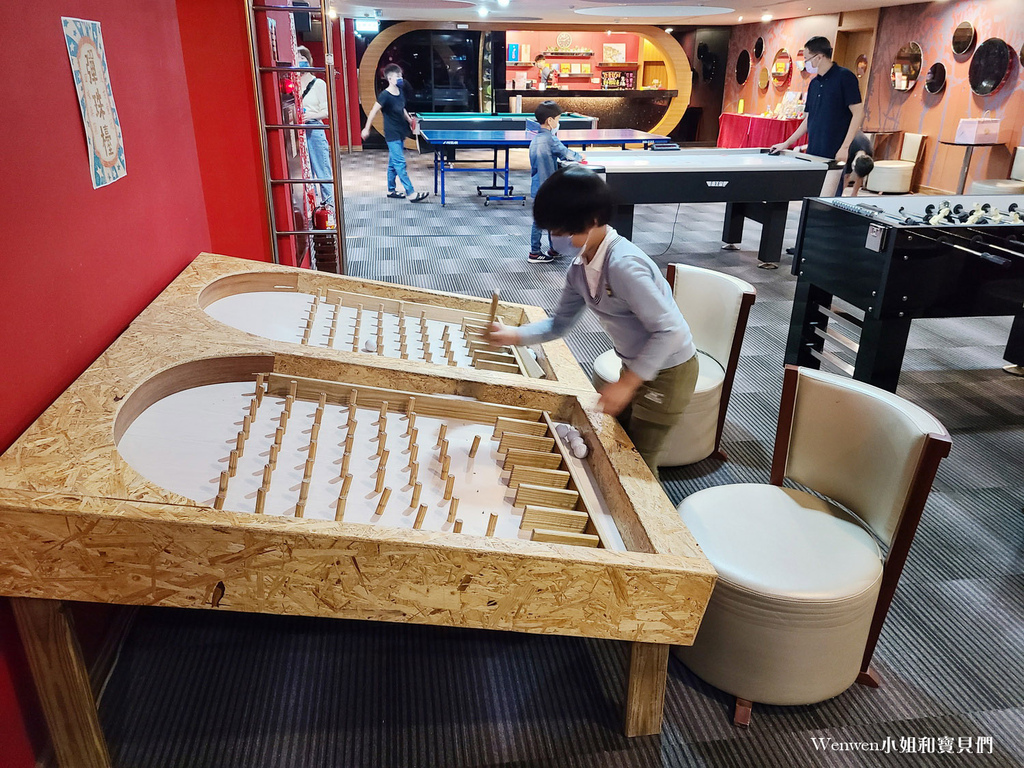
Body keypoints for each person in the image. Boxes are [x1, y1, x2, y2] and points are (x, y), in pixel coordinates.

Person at [489, 166, 699, 475]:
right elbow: (558, 325)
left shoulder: (624, 265)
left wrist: (627, 384)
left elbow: (669, 330)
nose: (559, 239)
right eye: (555, 232)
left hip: (670, 371)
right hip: (635, 362)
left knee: (639, 463)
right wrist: (514, 335)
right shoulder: (579, 268)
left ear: (593, 221)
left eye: (566, 231)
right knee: (618, 444)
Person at [771, 36, 864, 164]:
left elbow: (858, 112)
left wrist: (845, 147)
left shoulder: (845, 77)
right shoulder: (814, 83)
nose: (805, 63)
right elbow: (809, 119)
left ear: (819, 57)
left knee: (831, 184)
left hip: (834, 151)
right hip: (813, 150)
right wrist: (786, 143)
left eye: (806, 59)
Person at [360, 63, 429, 202]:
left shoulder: (400, 92)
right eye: (398, 76)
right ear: (390, 78)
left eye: (401, 76)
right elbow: (373, 111)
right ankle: (411, 192)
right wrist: (366, 128)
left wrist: (410, 121)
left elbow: (401, 108)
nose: (401, 78)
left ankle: (391, 190)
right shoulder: (384, 95)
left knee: (393, 163)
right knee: (400, 163)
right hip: (391, 134)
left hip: (401, 131)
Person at [528, 101, 582, 263]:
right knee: (541, 221)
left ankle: (554, 249)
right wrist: (580, 157)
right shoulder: (550, 139)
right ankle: (535, 252)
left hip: (538, 185)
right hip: (548, 187)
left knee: (549, 218)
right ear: (550, 121)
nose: (558, 123)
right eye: (557, 119)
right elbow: (565, 153)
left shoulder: (535, 139)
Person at [296, 47, 333, 207]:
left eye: (299, 56)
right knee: (305, 172)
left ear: (306, 59)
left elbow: (327, 111)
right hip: (297, 131)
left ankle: (330, 207)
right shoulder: (294, 82)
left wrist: (310, 116)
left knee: (322, 169)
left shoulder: (318, 84)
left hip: (314, 129)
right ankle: (312, 207)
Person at [837, 131, 874, 196]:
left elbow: (861, 175)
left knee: (859, 172)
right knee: (845, 174)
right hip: (845, 138)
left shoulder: (869, 153)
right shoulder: (850, 150)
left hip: (857, 140)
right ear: (853, 164)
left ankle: (854, 193)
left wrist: (854, 194)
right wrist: (840, 193)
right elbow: (846, 175)